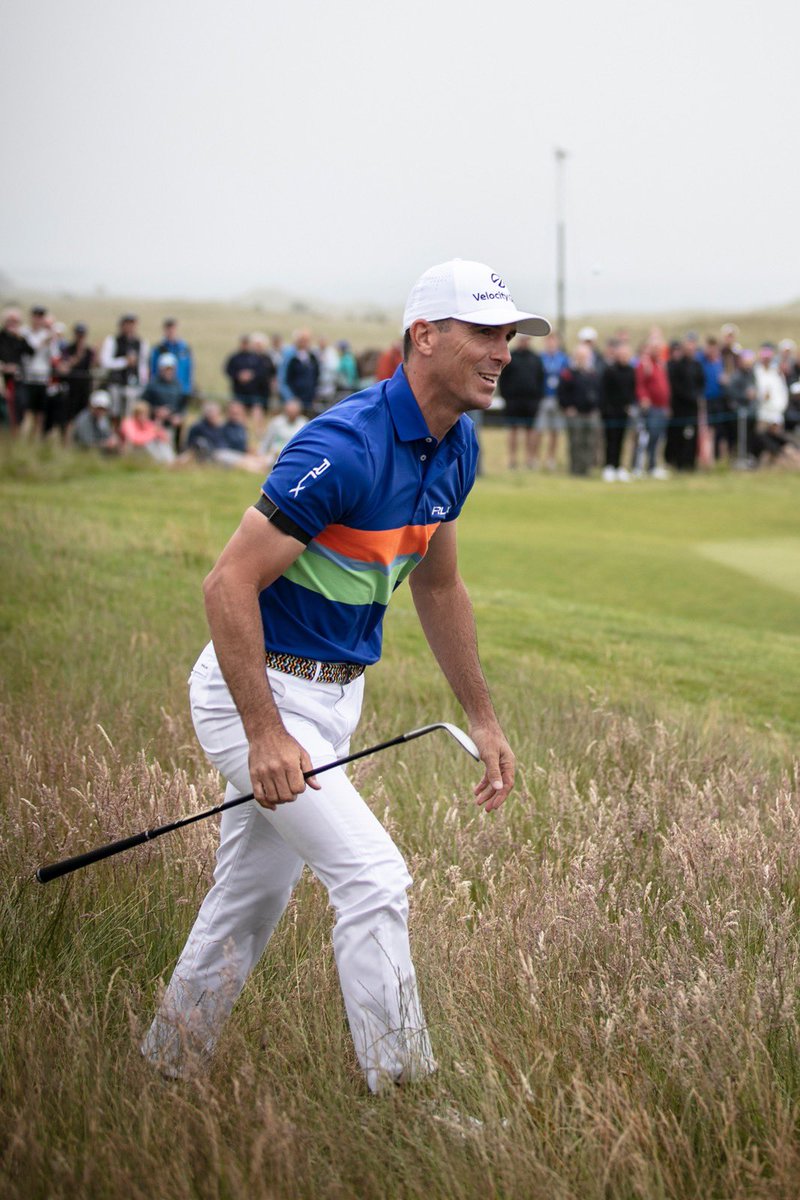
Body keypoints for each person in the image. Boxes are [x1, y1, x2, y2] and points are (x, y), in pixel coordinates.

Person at [141, 257, 546, 1091]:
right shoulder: (344, 446)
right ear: (424, 337)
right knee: (375, 880)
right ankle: (404, 1095)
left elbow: (438, 583)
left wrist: (483, 715)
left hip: (333, 701)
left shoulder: (455, 444)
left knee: (247, 901)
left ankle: (166, 1068)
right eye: (484, 332)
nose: (503, 349)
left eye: (510, 334)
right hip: (255, 694)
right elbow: (227, 584)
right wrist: (264, 733)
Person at [498, 334, 544, 469]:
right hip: (513, 400)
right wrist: (506, 396)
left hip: (531, 401)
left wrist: (537, 398)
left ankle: (530, 459)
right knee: (513, 429)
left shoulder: (536, 358)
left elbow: (540, 379)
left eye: (526, 340)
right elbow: (503, 379)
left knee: (530, 431)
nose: (524, 342)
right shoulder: (510, 357)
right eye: (522, 339)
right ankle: (512, 460)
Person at [558, 343, 601, 476]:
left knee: (589, 442)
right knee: (575, 442)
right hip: (575, 414)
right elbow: (562, 393)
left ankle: (586, 468)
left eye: (585, 356)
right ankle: (575, 469)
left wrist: (596, 408)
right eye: (580, 356)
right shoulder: (568, 373)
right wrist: (567, 407)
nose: (583, 358)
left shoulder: (592, 373)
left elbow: (599, 392)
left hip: (590, 413)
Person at [633, 333, 671, 478]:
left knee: (658, 438)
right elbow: (640, 384)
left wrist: (667, 405)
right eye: (654, 347)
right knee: (645, 438)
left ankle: (653, 466)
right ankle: (639, 467)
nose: (657, 350)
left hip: (661, 408)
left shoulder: (660, 364)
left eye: (659, 347)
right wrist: (644, 398)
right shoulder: (645, 364)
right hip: (650, 408)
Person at [666, 333, 705, 471]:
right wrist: (689, 396)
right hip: (680, 407)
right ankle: (679, 463)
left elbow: (701, 382)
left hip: (693, 407)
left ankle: (691, 463)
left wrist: (696, 396)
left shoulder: (697, 365)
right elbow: (675, 386)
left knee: (692, 436)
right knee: (679, 435)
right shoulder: (677, 365)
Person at [100, 314, 149, 422]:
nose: (130, 327)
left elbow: (143, 365)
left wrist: (143, 382)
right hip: (115, 382)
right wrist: (124, 361)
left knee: (129, 412)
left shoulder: (140, 343)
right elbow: (105, 362)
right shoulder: (113, 341)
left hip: (132, 383)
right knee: (114, 411)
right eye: (127, 324)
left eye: (132, 324)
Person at [20, 305, 60, 438]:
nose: (38, 319)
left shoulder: (48, 335)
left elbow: (54, 356)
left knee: (39, 413)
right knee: (26, 411)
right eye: (36, 316)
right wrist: (44, 342)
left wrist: (52, 339)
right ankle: (22, 439)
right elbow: (28, 352)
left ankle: (35, 440)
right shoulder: (24, 333)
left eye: (41, 316)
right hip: (27, 377)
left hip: (42, 378)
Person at [600, 340, 635, 481]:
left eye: (626, 354)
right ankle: (609, 466)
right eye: (621, 354)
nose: (624, 357)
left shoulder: (631, 370)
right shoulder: (610, 370)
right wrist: (606, 408)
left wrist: (630, 405)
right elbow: (603, 391)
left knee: (621, 439)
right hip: (610, 412)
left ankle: (619, 466)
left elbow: (632, 390)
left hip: (624, 411)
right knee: (610, 440)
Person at [534, 331, 569, 470]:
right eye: (549, 341)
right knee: (539, 429)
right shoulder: (540, 358)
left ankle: (551, 459)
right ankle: (536, 458)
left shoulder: (563, 359)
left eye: (554, 341)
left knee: (555, 431)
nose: (551, 344)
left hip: (557, 398)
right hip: (543, 398)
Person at [56, 323, 96, 435]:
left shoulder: (89, 351)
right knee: (68, 416)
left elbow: (94, 367)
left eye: (82, 334)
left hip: (84, 387)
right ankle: (66, 440)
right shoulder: (67, 349)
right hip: (70, 387)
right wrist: (77, 357)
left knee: (82, 415)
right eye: (78, 334)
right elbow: (63, 368)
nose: (80, 337)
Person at [143, 352, 188, 449]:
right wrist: (155, 410)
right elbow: (143, 404)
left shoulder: (177, 385)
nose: (169, 372)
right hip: (154, 420)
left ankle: (177, 450)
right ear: (161, 369)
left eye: (171, 369)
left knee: (179, 425)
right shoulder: (152, 385)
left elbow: (182, 406)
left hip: (171, 420)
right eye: (166, 369)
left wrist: (178, 415)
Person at [149, 318, 194, 411]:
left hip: (181, 389)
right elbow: (153, 369)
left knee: (179, 416)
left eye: (173, 329)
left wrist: (188, 388)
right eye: (168, 329)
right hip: (162, 390)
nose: (171, 331)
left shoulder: (184, 349)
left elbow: (189, 369)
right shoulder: (159, 349)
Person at [0, 308, 29, 430]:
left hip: (17, 379)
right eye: (10, 321)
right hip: (2, 378)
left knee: (20, 405)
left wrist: (21, 337)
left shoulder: (20, 339)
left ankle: (15, 432)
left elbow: (31, 351)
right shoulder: (1, 337)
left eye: (15, 321)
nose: (12, 324)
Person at [260, 396, 308, 467]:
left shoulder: (304, 423)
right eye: (289, 411)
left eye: (294, 411)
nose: (291, 413)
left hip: (295, 456)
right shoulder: (276, 422)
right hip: (274, 455)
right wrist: (261, 454)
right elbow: (267, 440)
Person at [284, 329, 320, 414]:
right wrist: (291, 397)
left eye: (306, 341)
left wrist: (315, 395)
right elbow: (287, 379)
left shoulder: (312, 358)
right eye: (301, 340)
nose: (304, 343)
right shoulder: (292, 358)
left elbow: (316, 376)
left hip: (310, 399)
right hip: (296, 400)